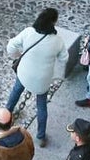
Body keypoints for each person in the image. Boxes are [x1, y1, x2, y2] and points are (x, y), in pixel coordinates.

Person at [6, 9, 68, 148]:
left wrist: (18, 55)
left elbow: (11, 46)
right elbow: (64, 58)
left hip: (24, 73)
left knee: (16, 91)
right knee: (41, 106)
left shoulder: (28, 32)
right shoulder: (57, 40)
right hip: (42, 80)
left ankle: (7, 113)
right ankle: (40, 136)